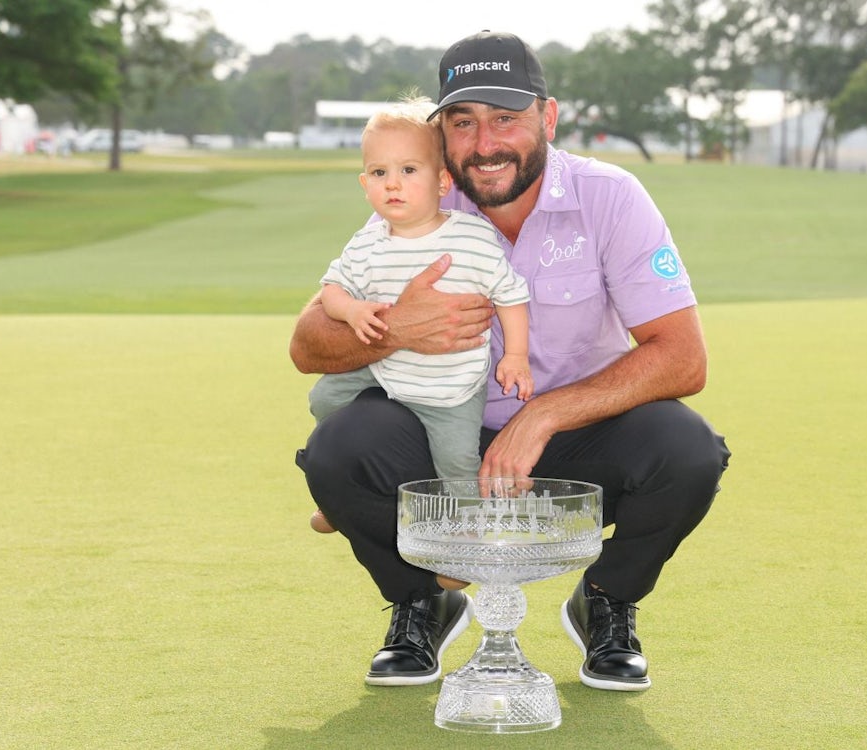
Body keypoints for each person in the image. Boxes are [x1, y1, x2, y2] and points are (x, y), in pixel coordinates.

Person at [291, 30, 731, 690]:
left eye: (506, 119)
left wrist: (545, 415)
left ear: (547, 118)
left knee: (688, 450)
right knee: (338, 448)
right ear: (440, 133)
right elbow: (307, 347)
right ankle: (423, 600)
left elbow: (683, 359)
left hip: (574, 441)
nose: (485, 143)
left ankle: (606, 599)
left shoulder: (610, 196)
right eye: (463, 123)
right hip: (441, 432)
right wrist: (395, 330)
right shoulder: (419, 198)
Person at [306, 95, 533, 538]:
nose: (393, 184)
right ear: (364, 183)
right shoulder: (368, 243)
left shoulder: (469, 236)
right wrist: (351, 310)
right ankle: (335, 496)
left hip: (452, 386)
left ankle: (469, 530)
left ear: (442, 180)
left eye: (409, 171)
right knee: (324, 399)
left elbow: (511, 293)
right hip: (385, 370)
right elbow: (331, 290)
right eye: (379, 173)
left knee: (456, 461)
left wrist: (516, 356)